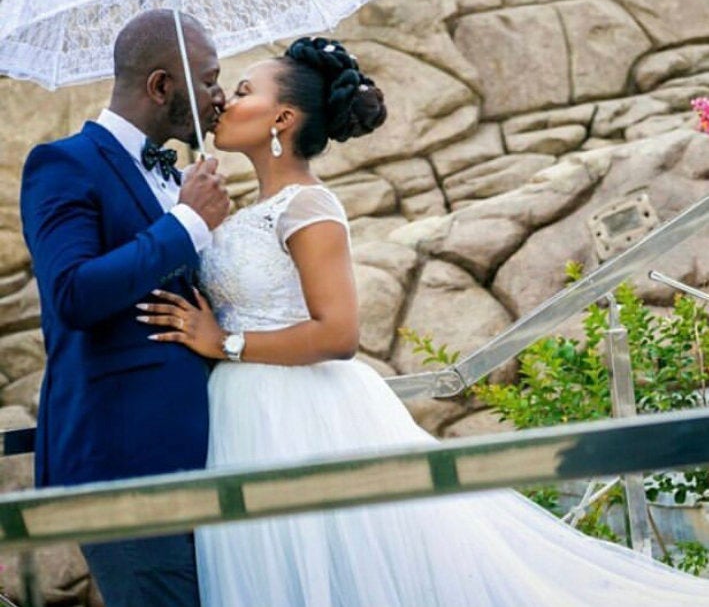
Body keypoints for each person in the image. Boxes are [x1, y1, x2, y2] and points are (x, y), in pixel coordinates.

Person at [137, 36, 709, 606]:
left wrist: (225, 342)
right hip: (244, 415)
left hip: (299, 414)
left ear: (281, 118)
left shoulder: (308, 206)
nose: (225, 104)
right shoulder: (245, 209)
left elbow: (339, 333)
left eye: (242, 92)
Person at [20, 8, 230, 607]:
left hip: (207, 460)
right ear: (162, 85)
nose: (218, 95)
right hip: (124, 469)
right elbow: (73, 295)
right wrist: (186, 223)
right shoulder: (63, 164)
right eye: (210, 79)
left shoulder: (177, 175)